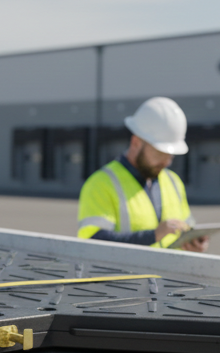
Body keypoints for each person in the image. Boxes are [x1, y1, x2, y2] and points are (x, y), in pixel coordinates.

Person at [75, 97, 207, 252]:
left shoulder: (173, 181)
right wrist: (153, 236)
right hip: (126, 276)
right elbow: (92, 241)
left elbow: (187, 227)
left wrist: (194, 245)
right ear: (136, 142)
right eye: (160, 153)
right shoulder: (101, 183)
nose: (166, 162)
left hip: (168, 276)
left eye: (171, 155)